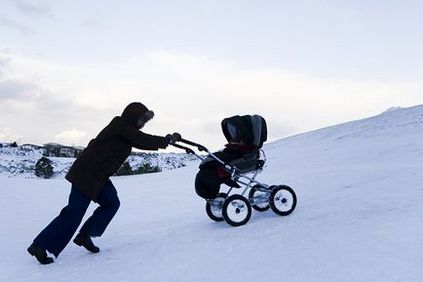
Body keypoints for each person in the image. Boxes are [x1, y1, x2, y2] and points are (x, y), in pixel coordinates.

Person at [27, 102, 181, 264]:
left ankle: (85, 235)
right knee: (73, 213)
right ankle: (39, 245)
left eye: (145, 121)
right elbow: (142, 139)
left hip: (98, 176)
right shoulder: (119, 125)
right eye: (142, 120)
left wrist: (166, 141)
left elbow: (142, 142)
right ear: (133, 116)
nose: (142, 124)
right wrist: (167, 141)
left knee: (111, 203)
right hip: (86, 174)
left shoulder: (127, 131)